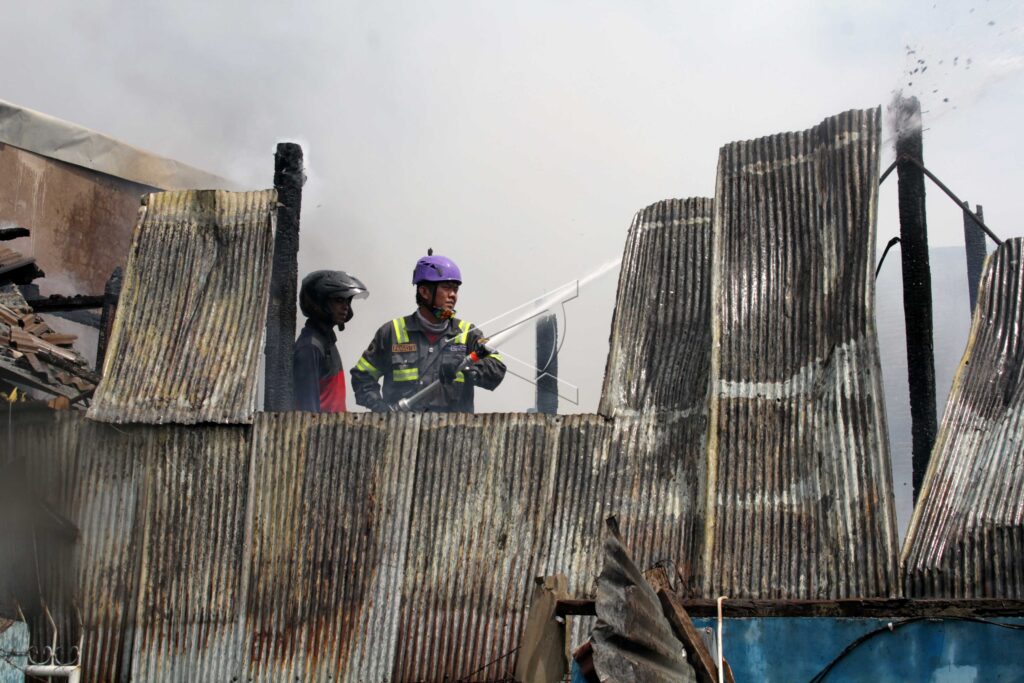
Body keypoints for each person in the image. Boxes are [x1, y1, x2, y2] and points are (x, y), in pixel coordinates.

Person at [350, 252, 505, 412]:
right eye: (446, 288)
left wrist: (466, 368)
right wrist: (380, 407)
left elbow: (497, 368)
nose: (453, 295)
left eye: (455, 289)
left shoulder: (467, 333)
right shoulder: (391, 333)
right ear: (424, 292)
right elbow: (362, 376)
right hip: (402, 433)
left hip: (454, 433)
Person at [293, 270, 369, 412]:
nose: (346, 306)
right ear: (320, 303)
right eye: (339, 300)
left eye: (347, 301)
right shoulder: (310, 348)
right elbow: (306, 414)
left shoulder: (326, 341)